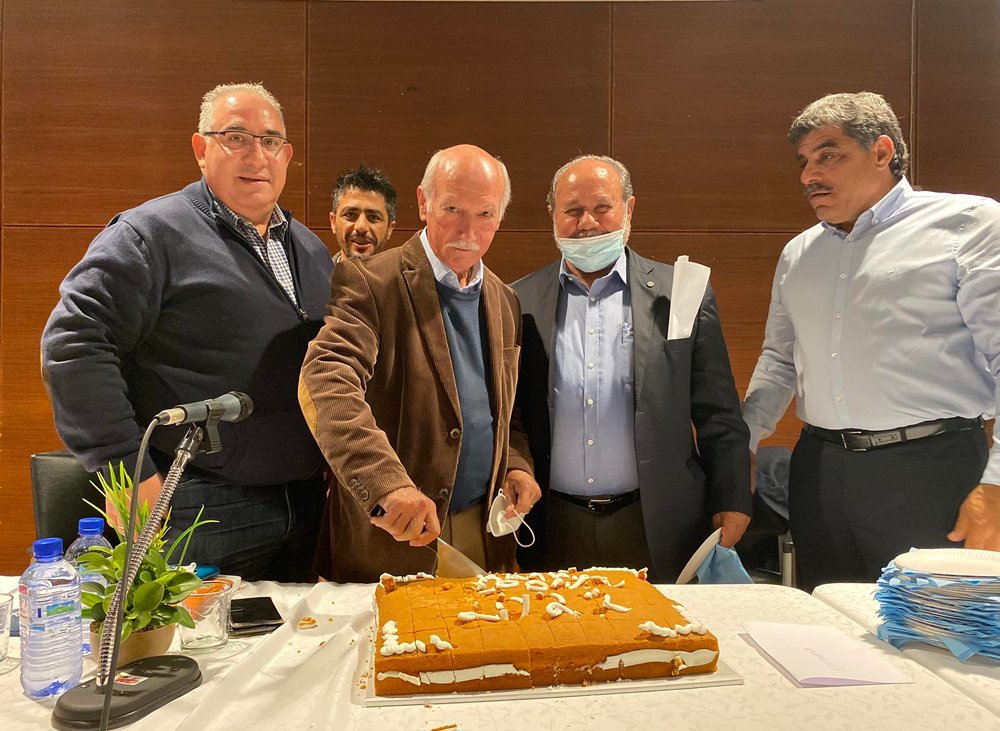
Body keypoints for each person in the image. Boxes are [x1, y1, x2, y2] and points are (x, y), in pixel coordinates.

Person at [41, 82, 334, 581]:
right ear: (201, 149)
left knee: (293, 634)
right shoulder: (148, 235)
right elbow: (74, 344)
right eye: (236, 138)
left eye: (269, 141)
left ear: (286, 156)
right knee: (187, 636)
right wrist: (125, 470)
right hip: (195, 504)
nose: (256, 156)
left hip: (305, 504)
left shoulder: (310, 249)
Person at [742, 92, 1000, 591]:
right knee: (829, 619)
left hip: (931, 469)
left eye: (828, 155)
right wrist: (745, 441)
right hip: (820, 471)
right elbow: (779, 360)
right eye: (803, 162)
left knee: (931, 624)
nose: (809, 176)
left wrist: (997, 483)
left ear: (882, 152)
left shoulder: (968, 224)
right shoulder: (798, 253)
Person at [299, 144, 541, 582]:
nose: (468, 229)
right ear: (423, 203)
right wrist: (386, 484)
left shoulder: (505, 300)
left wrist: (515, 463)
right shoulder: (371, 280)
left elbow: (506, 410)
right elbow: (326, 381)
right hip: (393, 540)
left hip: (484, 534)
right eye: (453, 208)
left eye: (484, 214)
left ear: (500, 218)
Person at [509, 155, 752, 582]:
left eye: (602, 207)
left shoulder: (680, 294)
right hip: (554, 523)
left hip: (656, 522)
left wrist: (731, 496)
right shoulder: (517, 301)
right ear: (552, 214)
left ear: (629, 208)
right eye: (572, 210)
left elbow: (718, 411)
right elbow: (511, 416)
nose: (587, 223)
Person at [330, 165, 397, 261]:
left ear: (389, 228)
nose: (361, 227)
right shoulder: (315, 271)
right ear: (333, 222)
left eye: (373, 217)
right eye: (350, 215)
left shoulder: (405, 271)